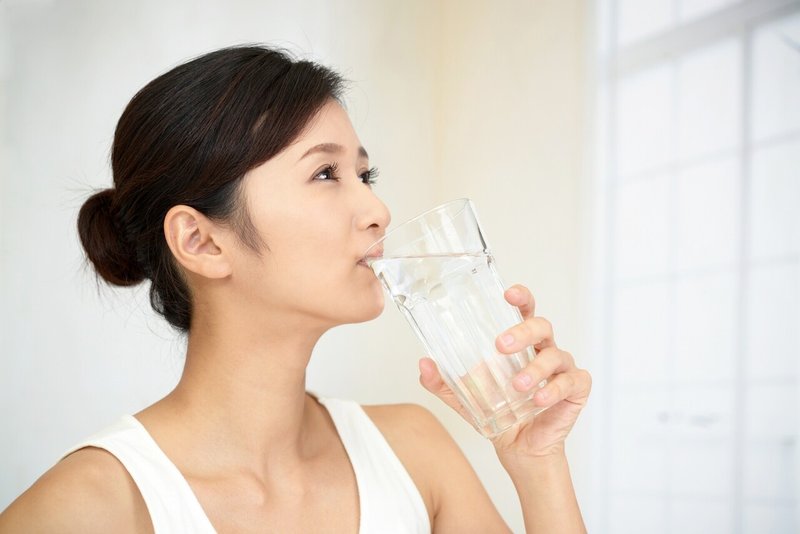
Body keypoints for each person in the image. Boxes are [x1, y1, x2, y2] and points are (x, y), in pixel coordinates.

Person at [0, 45, 591, 533]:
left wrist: (536, 462)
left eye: (365, 174)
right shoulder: (86, 510)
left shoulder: (415, 452)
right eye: (325, 174)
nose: (378, 210)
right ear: (201, 241)